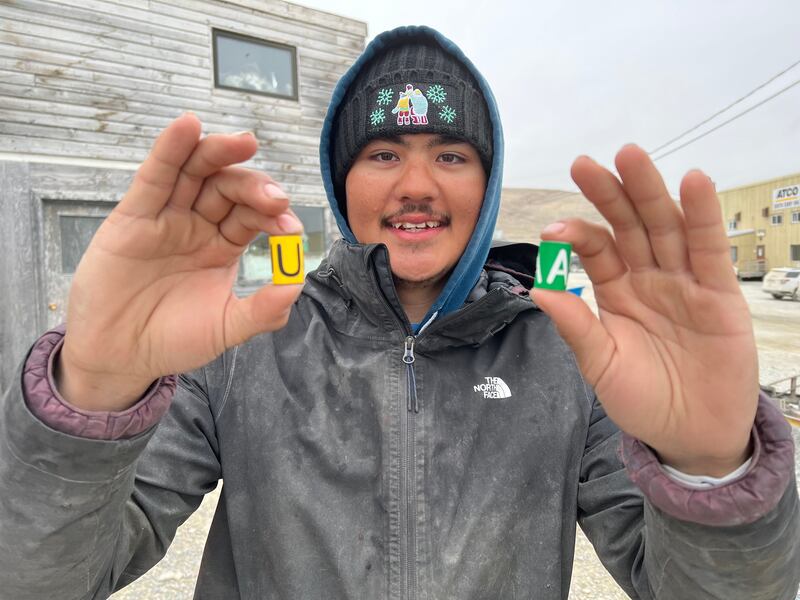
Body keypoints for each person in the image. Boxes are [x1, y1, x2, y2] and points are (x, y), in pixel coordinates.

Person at [1, 25, 798, 600]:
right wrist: (91, 392)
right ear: (342, 183)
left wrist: (711, 469)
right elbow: (45, 578)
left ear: (487, 189)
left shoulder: (564, 358)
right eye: (383, 155)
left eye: (451, 155)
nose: (417, 185)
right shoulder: (250, 346)